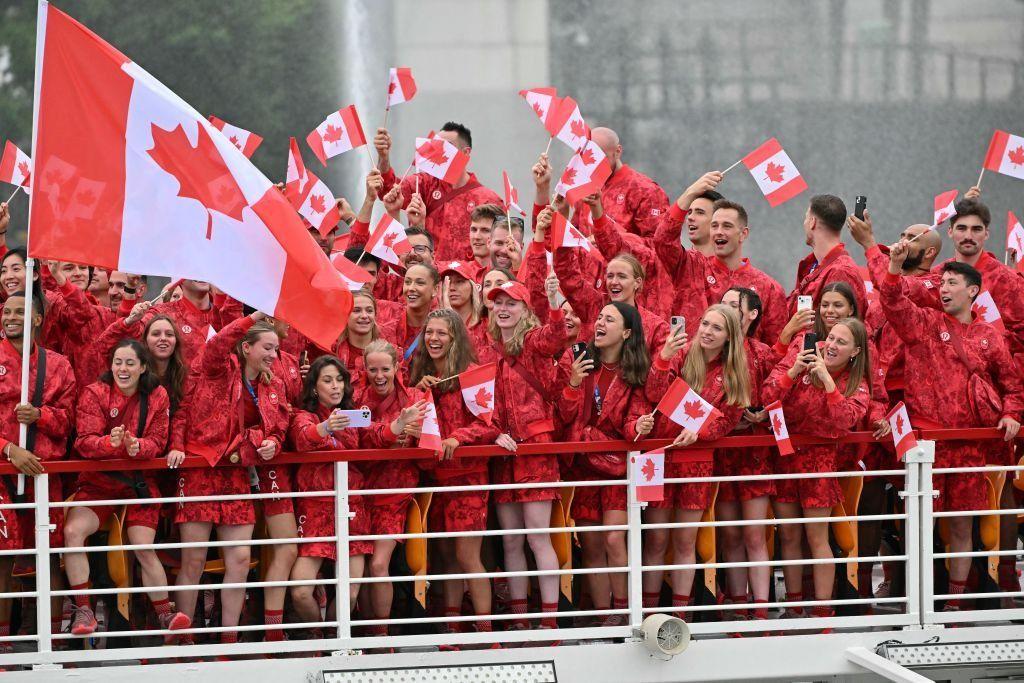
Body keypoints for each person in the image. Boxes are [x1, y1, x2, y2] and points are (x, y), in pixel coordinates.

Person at [879, 249, 1023, 611]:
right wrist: (894, 269)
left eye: (952, 283)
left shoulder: (990, 335)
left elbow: (1014, 385)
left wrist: (1011, 414)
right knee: (918, 525)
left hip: (970, 448)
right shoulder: (924, 323)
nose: (943, 288)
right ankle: (919, 600)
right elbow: (893, 303)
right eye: (942, 282)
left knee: (961, 527)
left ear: (973, 291)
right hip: (926, 448)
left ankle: (955, 602)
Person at [171, 313, 290, 647]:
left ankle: (228, 640)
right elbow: (217, 345)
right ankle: (185, 640)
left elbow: (281, 424)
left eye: (277, 349)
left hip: (237, 475)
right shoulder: (217, 368)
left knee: (238, 559)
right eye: (267, 347)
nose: (273, 355)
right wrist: (252, 316)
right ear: (246, 346)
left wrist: (272, 443)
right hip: (201, 470)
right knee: (193, 560)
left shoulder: (273, 384)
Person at [63, 339, 190, 636]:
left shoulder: (157, 395)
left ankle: (164, 615)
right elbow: (83, 442)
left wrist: (136, 446)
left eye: (130, 363)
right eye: (118, 362)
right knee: (72, 532)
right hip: (99, 485)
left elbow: (158, 442)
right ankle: (84, 611)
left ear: (143, 367)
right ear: (110, 366)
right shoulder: (94, 393)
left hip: (139, 485)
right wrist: (110, 443)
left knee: (143, 546)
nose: (123, 368)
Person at [289, 356, 419, 637]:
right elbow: (301, 438)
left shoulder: (354, 415)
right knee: (300, 591)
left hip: (353, 511)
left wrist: (399, 423)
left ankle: (337, 643)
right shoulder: (304, 415)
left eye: (339, 380)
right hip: (314, 513)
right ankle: (317, 638)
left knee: (348, 595)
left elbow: (375, 434)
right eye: (327, 380)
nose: (335, 386)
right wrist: (326, 427)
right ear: (314, 387)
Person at [761, 317, 872, 623]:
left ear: (855, 351)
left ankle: (822, 611)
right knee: (790, 535)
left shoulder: (856, 381)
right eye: (831, 338)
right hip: (785, 456)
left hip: (821, 462)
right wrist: (793, 372)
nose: (832, 346)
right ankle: (794, 606)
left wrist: (828, 383)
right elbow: (765, 397)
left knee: (817, 537)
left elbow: (844, 419)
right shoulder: (803, 351)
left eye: (841, 342)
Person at [641, 304, 747, 620]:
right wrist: (661, 359)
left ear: (729, 338)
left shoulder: (732, 373)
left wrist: (699, 430)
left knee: (685, 540)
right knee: (656, 537)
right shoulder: (680, 353)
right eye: (705, 323)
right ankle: (648, 611)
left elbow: (729, 419)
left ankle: (680, 614)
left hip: (697, 462)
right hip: (661, 457)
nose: (706, 331)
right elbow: (653, 392)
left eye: (716, 327)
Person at [409, 309, 501, 634]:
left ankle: (485, 630)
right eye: (429, 332)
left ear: (455, 338)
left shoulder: (472, 374)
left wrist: (457, 437)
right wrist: (417, 392)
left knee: (467, 556)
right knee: (446, 557)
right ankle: (451, 628)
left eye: (442, 333)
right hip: (435, 480)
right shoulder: (418, 375)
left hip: (468, 478)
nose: (433, 339)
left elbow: (490, 424)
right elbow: (409, 421)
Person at [563, 302, 651, 626]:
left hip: (617, 469)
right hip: (584, 466)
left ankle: (626, 612)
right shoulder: (580, 363)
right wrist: (573, 384)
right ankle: (604, 618)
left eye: (609, 319)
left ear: (626, 332)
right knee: (592, 545)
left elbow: (631, 421)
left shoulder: (634, 373)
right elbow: (564, 415)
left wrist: (638, 426)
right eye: (598, 317)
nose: (599, 322)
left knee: (615, 538)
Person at [487, 280, 568, 632]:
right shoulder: (489, 348)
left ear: (526, 310)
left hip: (535, 450)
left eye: (512, 303)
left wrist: (553, 300)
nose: (503, 308)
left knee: (538, 537)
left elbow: (557, 336)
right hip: (503, 453)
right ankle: (521, 620)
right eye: (498, 302)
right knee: (511, 539)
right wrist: (493, 433)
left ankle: (548, 621)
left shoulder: (534, 342)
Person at [0, 289, 76, 647]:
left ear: (36, 319)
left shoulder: (58, 364)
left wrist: (40, 416)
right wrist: (9, 449)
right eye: (6, 310)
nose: (10, 316)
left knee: (51, 554)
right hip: (2, 473)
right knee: (3, 556)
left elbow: (70, 420)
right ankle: (2, 640)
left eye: (19, 311)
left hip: (45, 476)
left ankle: (54, 637)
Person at [355, 340, 428, 637]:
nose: (379, 375)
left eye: (385, 368)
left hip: (396, 494)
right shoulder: (356, 400)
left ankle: (381, 635)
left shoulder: (415, 398)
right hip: (360, 496)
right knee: (358, 569)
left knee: (377, 565)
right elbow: (357, 439)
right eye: (372, 369)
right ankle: (363, 629)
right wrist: (393, 430)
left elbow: (433, 444)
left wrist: (420, 435)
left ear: (398, 367)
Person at [654, 191, 788, 344]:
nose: (719, 232)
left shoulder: (769, 288)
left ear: (743, 234)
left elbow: (774, 351)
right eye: (714, 226)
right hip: (690, 366)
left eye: (727, 226)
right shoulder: (691, 267)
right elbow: (662, 241)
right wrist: (692, 192)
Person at [373, 122, 503, 261]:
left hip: (467, 279)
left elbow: (500, 245)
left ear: (466, 152)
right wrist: (383, 157)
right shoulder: (424, 183)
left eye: (447, 146)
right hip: (427, 275)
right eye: (437, 145)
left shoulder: (487, 198)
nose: (440, 151)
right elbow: (388, 190)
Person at [567, 127, 670, 240]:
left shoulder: (645, 190)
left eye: (599, 157)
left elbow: (659, 247)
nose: (593, 163)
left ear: (617, 152)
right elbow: (575, 239)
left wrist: (610, 240)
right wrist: (562, 211)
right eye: (587, 157)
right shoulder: (585, 186)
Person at [788, 195, 867, 316]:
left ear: (812, 222)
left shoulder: (841, 272)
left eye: (806, 218)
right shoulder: (812, 266)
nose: (804, 223)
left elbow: (844, 329)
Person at [380, 263, 439, 358]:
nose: (411, 288)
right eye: (407, 282)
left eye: (420, 283)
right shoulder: (386, 316)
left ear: (435, 289)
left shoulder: (441, 325)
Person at [468, 204, 505, 273]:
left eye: (485, 230)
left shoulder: (515, 274)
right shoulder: (459, 274)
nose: (477, 237)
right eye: (474, 229)